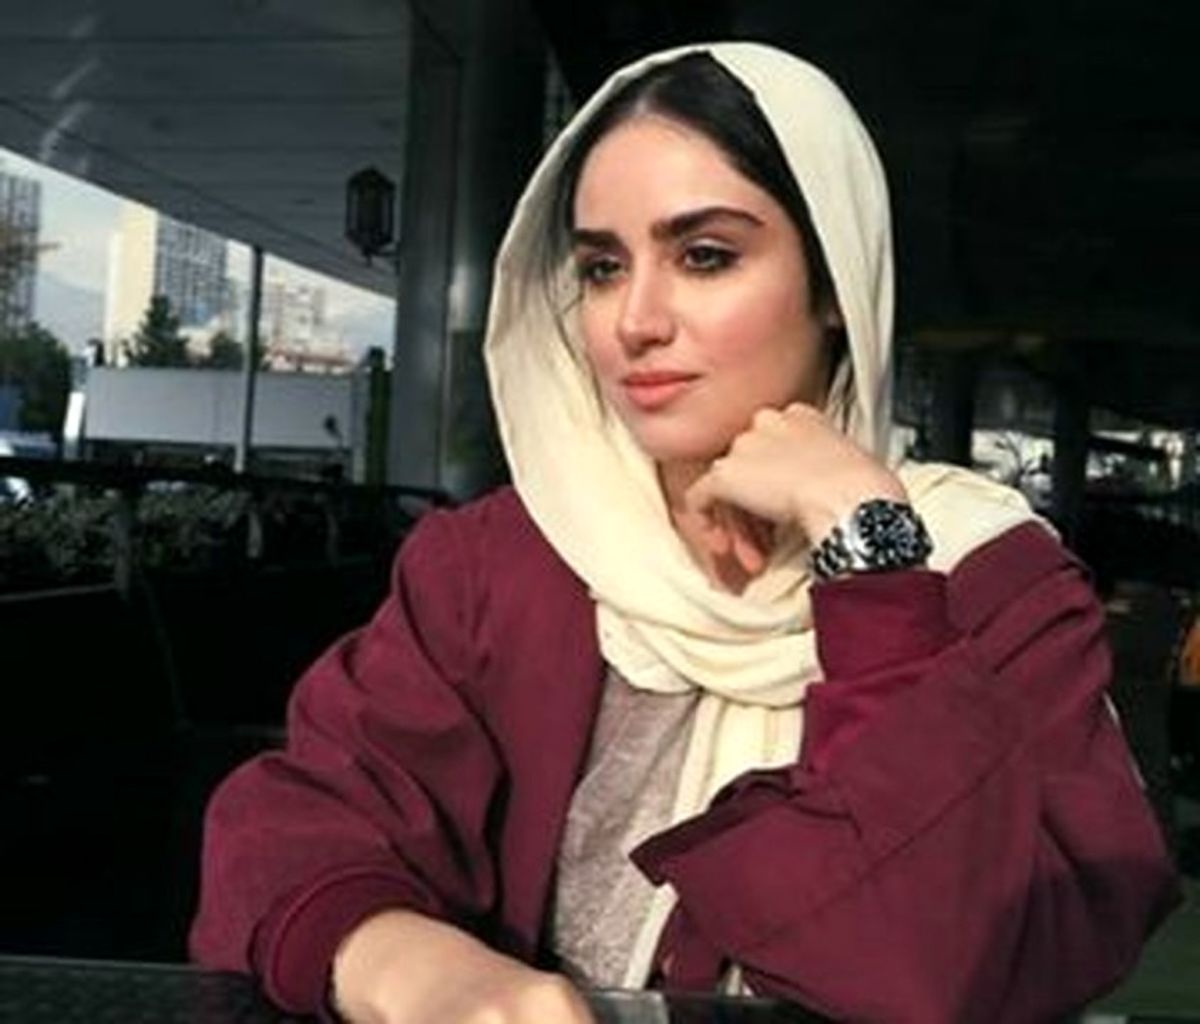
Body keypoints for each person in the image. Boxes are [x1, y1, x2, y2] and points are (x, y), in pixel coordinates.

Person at [190, 42, 1179, 1023]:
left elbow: (949, 961)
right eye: (601, 267)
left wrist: (866, 551)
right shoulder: (504, 560)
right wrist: (415, 967)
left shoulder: (990, 579)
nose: (636, 320)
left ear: (835, 285)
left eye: (706, 256)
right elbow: (301, 827)